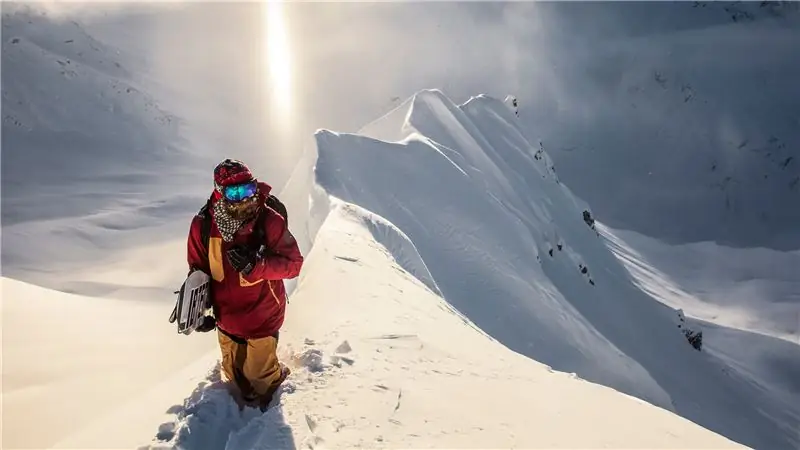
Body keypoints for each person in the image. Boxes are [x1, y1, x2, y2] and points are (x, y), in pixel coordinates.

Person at [186, 158, 304, 410]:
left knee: (263, 382)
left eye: (249, 189)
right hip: (226, 319)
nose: (245, 199)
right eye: (235, 192)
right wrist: (199, 312)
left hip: (263, 316)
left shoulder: (268, 221)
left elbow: (294, 264)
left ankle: (280, 393)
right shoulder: (203, 225)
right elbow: (198, 270)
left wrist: (257, 265)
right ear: (219, 192)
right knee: (237, 380)